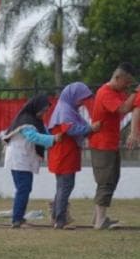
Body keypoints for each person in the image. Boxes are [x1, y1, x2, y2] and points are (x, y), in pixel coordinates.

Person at [89, 62, 137, 229]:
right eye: (127, 82)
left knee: (111, 180)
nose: (128, 86)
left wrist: (135, 98)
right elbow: (124, 108)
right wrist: (137, 93)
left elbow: (130, 106)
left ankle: (98, 218)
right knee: (106, 182)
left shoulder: (116, 92)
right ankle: (100, 221)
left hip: (109, 144)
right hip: (102, 145)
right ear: (117, 78)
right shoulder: (106, 93)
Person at [3, 94, 62, 228]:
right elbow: (33, 137)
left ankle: (18, 218)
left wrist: (53, 137)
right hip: (19, 159)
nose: (45, 113)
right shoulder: (25, 120)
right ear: (37, 107)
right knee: (23, 189)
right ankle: (17, 219)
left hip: (23, 159)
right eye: (44, 110)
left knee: (24, 188)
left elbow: (45, 134)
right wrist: (53, 139)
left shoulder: (36, 121)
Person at [47, 82, 100, 229]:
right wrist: (90, 128)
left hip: (63, 155)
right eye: (81, 98)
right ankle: (60, 220)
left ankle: (56, 218)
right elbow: (70, 129)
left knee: (62, 187)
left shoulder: (66, 109)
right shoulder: (65, 110)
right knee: (65, 187)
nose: (82, 102)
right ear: (73, 95)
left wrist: (88, 129)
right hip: (65, 155)